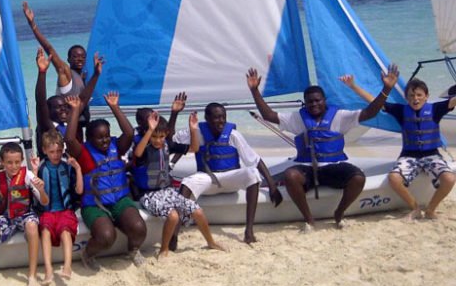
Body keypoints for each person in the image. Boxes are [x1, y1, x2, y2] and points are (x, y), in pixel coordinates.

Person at [246, 66, 398, 231]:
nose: (314, 104)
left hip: (334, 167)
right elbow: (269, 115)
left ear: (324, 100)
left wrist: (386, 89)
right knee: (290, 175)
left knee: (358, 178)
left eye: (318, 100)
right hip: (308, 170)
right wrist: (255, 91)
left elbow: (369, 113)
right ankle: (309, 219)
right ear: (305, 103)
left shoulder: (340, 117)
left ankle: (339, 213)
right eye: (310, 102)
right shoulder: (298, 118)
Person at [340, 67, 456, 219]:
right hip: (409, 156)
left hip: (432, 155)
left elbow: (453, 100)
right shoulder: (400, 110)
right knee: (393, 178)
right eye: (411, 95)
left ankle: (430, 210)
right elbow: (373, 100)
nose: (415, 99)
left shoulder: (436, 109)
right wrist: (353, 86)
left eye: (419, 95)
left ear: (426, 96)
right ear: (407, 98)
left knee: (450, 179)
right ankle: (415, 208)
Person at [175, 103, 282, 243]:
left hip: (230, 179)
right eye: (216, 117)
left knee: (252, 173)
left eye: (223, 117)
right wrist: (175, 114)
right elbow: (172, 141)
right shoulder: (197, 132)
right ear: (207, 118)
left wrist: (272, 186)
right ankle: (174, 234)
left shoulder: (233, 135)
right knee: (187, 182)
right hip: (208, 180)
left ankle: (249, 231)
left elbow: (255, 160)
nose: (221, 121)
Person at [64, 92, 147, 270]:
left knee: (139, 228)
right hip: (94, 205)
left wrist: (114, 107)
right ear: (89, 139)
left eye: (107, 135)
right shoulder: (84, 154)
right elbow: (69, 139)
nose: (105, 140)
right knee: (107, 237)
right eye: (99, 137)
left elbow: (129, 132)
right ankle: (87, 254)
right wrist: (75, 110)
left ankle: (133, 249)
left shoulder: (116, 147)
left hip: (119, 200)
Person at [133, 112, 225, 257]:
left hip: (167, 191)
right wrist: (150, 130)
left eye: (161, 137)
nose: (158, 141)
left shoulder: (168, 145)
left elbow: (194, 148)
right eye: (154, 137)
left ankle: (211, 242)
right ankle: (164, 249)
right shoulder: (144, 150)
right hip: (148, 195)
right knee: (173, 216)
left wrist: (193, 129)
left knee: (197, 211)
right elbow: (137, 153)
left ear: (166, 135)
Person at [0, 142, 48, 286]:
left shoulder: (28, 175)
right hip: (6, 217)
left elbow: (44, 201)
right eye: (9, 163)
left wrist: (41, 190)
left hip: (25, 214)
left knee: (32, 226)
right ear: (2, 162)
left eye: (17, 162)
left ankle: (32, 276)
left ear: (22, 161)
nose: (14, 166)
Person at [23, 1, 90, 125]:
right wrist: (33, 25)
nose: (80, 59)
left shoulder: (81, 77)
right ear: (68, 59)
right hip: (65, 127)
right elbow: (49, 49)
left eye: (83, 57)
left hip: (79, 128)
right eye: (75, 56)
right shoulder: (65, 71)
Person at [32, 130, 83, 284]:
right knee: (45, 231)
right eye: (52, 152)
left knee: (65, 231)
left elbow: (79, 191)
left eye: (59, 151)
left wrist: (78, 169)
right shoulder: (42, 168)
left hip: (65, 210)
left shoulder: (67, 167)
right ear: (44, 150)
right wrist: (34, 171)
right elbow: (35, 193)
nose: (56, 155)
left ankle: (67, 266)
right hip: (47, 211)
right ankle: (48, 270)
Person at [34, 47, 103, 153]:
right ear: (49, 111)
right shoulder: (47, 126)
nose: (64, 110)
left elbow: (83, 100)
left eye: (65, 107)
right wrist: (42, 72)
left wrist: (96, 75)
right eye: (58, 107)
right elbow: (40, 102)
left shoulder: (68, 124)